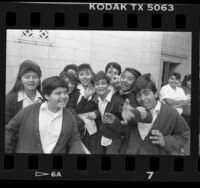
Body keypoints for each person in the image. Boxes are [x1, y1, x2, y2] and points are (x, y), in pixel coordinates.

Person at [5, 76, 86, 154]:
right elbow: (9, 130)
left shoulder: (69, 117)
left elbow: (74, 139)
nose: (64, 96)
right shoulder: (28, 111)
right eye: (58, 93)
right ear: (47, 96)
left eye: (65, 92)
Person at [124, 74, 190, 155]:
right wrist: (126, 119)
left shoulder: (171, 113)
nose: (142, 99)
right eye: (138, 95)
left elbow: (184, 135)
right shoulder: (135, 110)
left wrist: (165, 141)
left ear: (155, 93)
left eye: (146, 93)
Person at [6, 60, 44, 124]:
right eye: (27, 77)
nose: (31, 80)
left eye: (35, 77)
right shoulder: (10, 99)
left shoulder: (45, 97)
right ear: (20, 79)